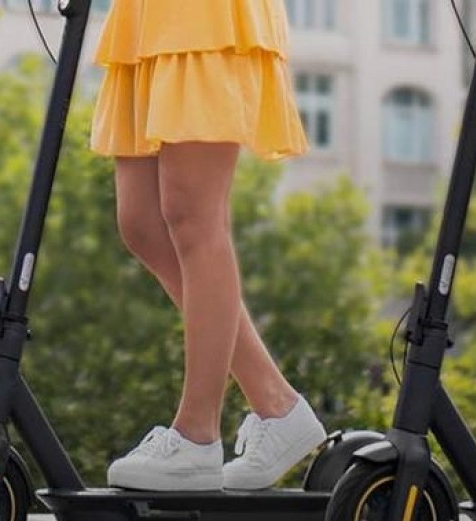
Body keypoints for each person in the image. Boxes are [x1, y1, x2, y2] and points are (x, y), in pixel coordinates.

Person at [88, 0, 326, 492]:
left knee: (194, 216)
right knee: (142, 224)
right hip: (144, 20)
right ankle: (277, 407)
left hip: (203, 18)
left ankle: (196, 435)